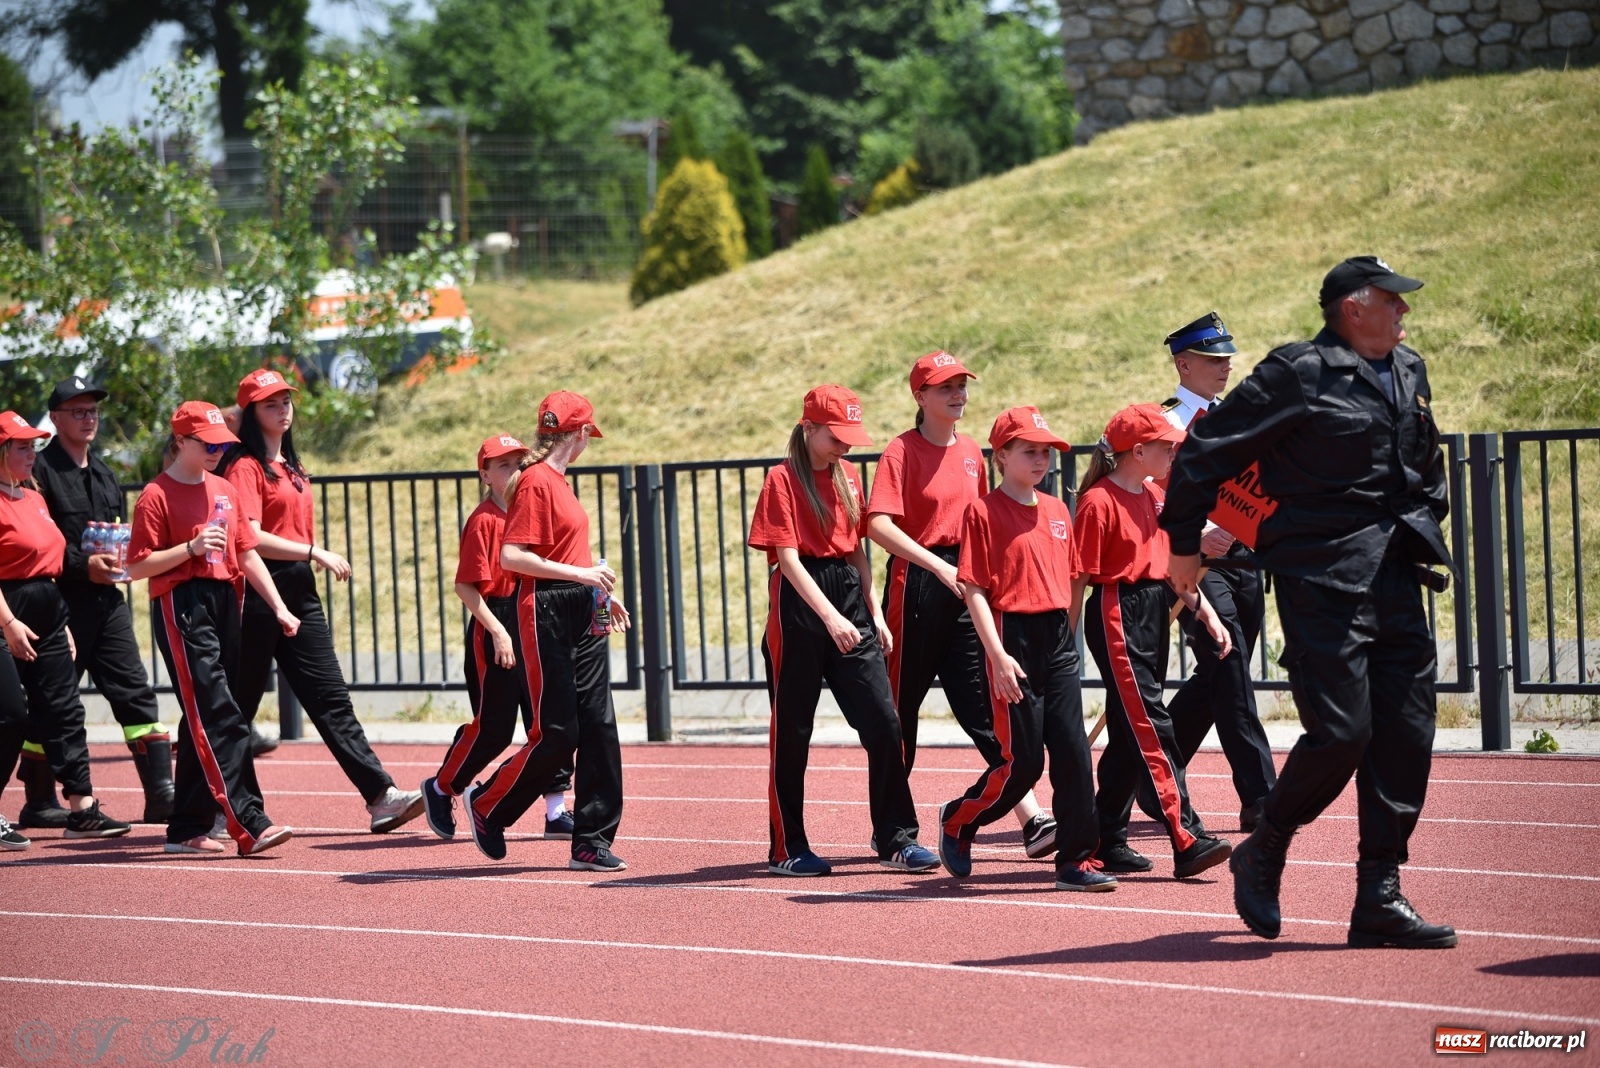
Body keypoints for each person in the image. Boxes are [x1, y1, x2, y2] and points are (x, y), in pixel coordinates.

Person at [1163, 256, 1457, 949]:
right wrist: (1182, 546)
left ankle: (1378, 895)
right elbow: (1206, 448)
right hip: (1321, 579)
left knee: (1407, 733)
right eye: (1392, 301)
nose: (1404, 312)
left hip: (1396, 574)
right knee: (1343, 733)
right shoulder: (1298, 372)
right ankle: (1267, 845)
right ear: (1353, 307)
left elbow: (1427, 463)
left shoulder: (1408, 370)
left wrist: (1423, 520)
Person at [865, 353, 1056, 859]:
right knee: (898, 713)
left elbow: (983, 521)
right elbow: (878, 526)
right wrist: (935, 565)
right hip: (918, 585)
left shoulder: (973, 450)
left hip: (964, 583)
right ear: (920, 397)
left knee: (988, 704)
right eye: (944, 386)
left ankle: (1031, 815)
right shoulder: (900, 451)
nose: (957, 393)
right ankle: (895, 836)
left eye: (961, 385)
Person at [219, 369, 422, 833]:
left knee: (331, 698)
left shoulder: (291, 465)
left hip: (298, 587)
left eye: (287, 400)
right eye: (271, 403)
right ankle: (214, 806)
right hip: (256, 589)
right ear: (251, 413)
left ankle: (380, 795)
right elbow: (248, 536)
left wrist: (307, 558)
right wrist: (314, 551)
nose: (283, 408)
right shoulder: (244, 466)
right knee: (237, 709)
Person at [748, 384, 939, 877]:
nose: (846, 446)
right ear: (809, 428)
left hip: (848, 597)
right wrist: (829, 617)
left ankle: (897, 837)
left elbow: (857, 547)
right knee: (792, 732)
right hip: (800, 604)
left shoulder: (849, 474)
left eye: (851, 437)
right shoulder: (781, 479)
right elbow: (786, 560)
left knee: (885, 722)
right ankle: (788, 847)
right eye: (837, 437)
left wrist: (871, 610)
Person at [939, 406, 1115, 891]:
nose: (1041, 460)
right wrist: (995, 657)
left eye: (1045, 451)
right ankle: (959, 820)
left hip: (1056, 641)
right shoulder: (982, 511)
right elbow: (974, 588)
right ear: (1002, 456)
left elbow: (1073, 580)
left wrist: (1069, 640)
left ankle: (1077, 861)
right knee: (1024, 764)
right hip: (1009, 640)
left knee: (1076, 753)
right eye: (1029, 451)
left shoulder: (1059, 511)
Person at [462, 392, 629, 870]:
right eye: (587, 437)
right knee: (557, 732)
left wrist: (599, 592)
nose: (587, 444)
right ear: (578, 435)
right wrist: (580, 578)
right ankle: (488, 805)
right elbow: (512, 558)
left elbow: (570, 554)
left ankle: (590, 841)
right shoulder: (536, 481)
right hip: (546, 609)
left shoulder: (558, 482)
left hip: (579, 607)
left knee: (598, 725)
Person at [127, 401, 300, 857]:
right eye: (207, 442)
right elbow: (138, 565)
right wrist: (190, 547)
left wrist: (279, 606)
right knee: (220, 711)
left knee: (203, 715)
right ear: (180, 441)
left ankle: (185, 827)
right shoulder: (155, 495)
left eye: (222, 442)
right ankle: (249, 819)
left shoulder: (224, 487)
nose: (217, 450)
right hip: (182, 604)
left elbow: (246, 552)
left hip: (227, 601)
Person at [1071, 404, 1233, 880]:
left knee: (1127, 730)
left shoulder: (1155, 498)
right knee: (1152, 723)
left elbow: (1171, 568)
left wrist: (1206, 613)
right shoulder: (1098, 501)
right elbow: (1079, 578)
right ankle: (1186, 835)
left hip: (1151, 609)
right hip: (1116, 609)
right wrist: (1064, 639)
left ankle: (1107, 838)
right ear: (1137, 451)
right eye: (1166, 446)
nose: (1173, 453)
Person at [26, 377, 174, 827]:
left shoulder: (106, 473)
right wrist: (81, 567)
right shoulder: (38, 473)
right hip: (58, 603)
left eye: (92, 411)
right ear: (54, 418)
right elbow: (37, 543)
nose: (88, 418)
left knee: (135, 692)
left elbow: (115, 533)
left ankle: (162, 795)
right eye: (77, 411)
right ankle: (38, 799)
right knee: (51, 702)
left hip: (107, 604)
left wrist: (123, 563)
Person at [1154, 315, 1276, 831]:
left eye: (1228, 357)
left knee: (1220, 674)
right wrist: (1195, 535)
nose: (1225, 366)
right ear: (1183, 364)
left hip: (1245, 559)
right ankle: (1263, 796)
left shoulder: (1239, 418)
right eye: (1212, 358)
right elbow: (1144, 494)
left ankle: (1149, 770)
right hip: (1195, 565)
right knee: (1228, 665)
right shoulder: (1160, 424)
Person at [422, 434, 573, 841]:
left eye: (518, 462)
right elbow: (466, 586)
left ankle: (556, 809)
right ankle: (442, 787)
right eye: (502, 464)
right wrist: (498, 632)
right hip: (497, 619)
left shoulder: (534, 508)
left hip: (531, 612)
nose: (513, 470)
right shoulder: (484, 520)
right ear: (485, 474)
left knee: (548, 718)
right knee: (495, 727)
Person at [0, 411, 132, 838]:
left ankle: (83, 807)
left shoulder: (34, 498)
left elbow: (50, 565)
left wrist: (61, 622)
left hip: (50, 612)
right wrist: (10, 623)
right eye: (21, 447)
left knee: (66, 711)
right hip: (6, 612)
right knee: (10, 715)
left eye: (33, 446)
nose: (31, 454)